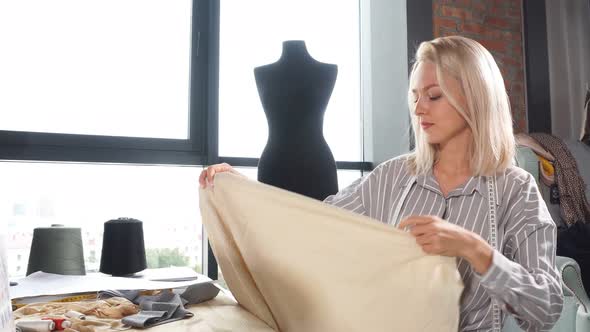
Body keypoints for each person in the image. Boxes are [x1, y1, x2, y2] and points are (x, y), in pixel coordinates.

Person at [199, 36, 563, 331]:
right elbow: (310, 223)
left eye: (434, 96)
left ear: (476, 98)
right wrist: (242, 191)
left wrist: (476, 250)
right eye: (415, 96)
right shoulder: (391, 178)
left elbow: (545, 310)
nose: (419, 108)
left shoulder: (517, 191)